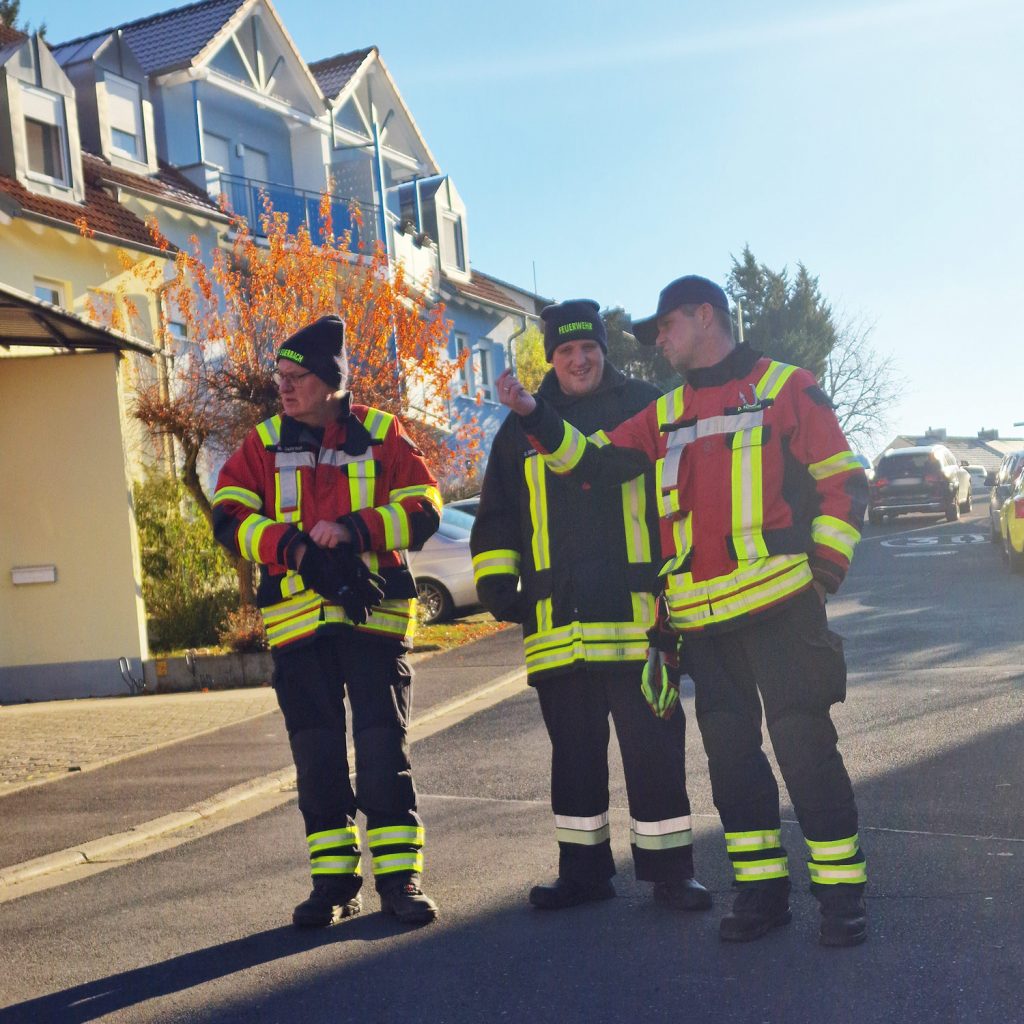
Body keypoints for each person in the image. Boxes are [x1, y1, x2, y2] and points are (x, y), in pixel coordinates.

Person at [496, 277, 869, 947]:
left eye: (665, 327)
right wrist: (532, 413)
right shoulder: (663, 411)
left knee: (805, 751)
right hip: (705, 626)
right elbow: (591, 464)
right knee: (733, 766)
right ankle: (761, 895)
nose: (659, 341)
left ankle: (842, 899)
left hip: (782, 612)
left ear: (705, 316)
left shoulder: (786, 386)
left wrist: (824, 575)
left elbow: (843, 479)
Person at [471, 299, 711, 913]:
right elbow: (497, 516)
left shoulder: (643, 408)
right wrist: (499, 586)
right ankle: (582, 873)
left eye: (589, 349)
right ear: (551, 357)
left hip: (637, 623)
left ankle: (670, 874)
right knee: (573, 760)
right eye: (566, 351)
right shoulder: (513, 432)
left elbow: (675, 497)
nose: (578, 360)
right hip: (556, 627)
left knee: (654, 752)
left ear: (604, 351)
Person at [212, 315, 441, 928]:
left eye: (298, 377)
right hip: (298, 633)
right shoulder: (261, 443)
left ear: (332, 381)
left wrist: (354, 531)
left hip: (374, 622)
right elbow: (228, 517)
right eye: (280, 377)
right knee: (317, 764)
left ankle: (401, 883)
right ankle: (335, 885)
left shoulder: (383, 433)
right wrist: (296, 551)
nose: (284, 388)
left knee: (381, 753)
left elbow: (424, 507)